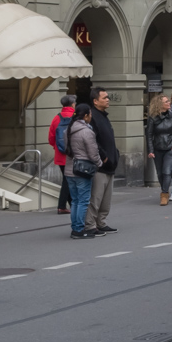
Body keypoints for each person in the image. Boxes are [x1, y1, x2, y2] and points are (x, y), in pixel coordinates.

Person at [84, 87, 119, 235]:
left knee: (106, 199)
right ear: (95, 101)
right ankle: (90, 225)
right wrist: (104, 157)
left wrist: (115, 155)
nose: (107, 100)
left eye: (107, 97)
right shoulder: (94, 118)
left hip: (110, 164)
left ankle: (101, 222)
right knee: (96, 197)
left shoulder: (104, 116)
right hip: (100, 166)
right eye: (104, 98)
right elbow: (94, 142)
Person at [63, 104, 99, 239]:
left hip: (69, 169)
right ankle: (79, 229)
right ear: (85, 116)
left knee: (75, 201)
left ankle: (75, 228)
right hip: (83, 170)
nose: (91, 116)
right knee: (83, 201)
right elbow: (93, 153)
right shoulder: (87, 131)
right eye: (90, 114)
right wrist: (99, 164)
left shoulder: (68, 129)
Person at [145, 94, 172, 206]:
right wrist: (150, 150)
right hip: (157, 148)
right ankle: (164, 189)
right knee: (160, 173)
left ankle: (164, 194)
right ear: (160, 104)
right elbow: (149, 135)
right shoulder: (152, 118)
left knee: (166, 171)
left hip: (170, 147)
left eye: (168, 101)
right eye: (166, 102)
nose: (168, 103)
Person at [48, 95, 76, 214]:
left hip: (60, 154)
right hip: (73, 154)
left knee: (66, 179)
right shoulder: (75, 117)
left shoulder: (56, 118)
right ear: (73, 104)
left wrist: (57, 147)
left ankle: (70, 204)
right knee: (68, 180)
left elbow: (51, 138)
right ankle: (62, 206)